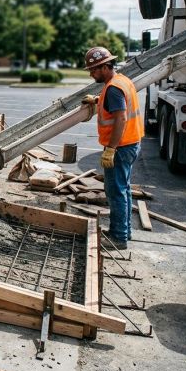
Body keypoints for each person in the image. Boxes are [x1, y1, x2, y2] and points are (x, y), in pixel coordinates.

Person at [82, 46, 144, 250]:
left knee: (115, 191)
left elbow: (121, 117)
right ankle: (124, 230)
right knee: (123, 189)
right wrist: (98, 100)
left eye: (93, 70)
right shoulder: (121, 81)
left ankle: (118, 237)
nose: (91, 74)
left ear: (104, 67)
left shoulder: (114, 88)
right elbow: (117, 105)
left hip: (121, 147)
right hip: (131, 143)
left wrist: (111, 149)